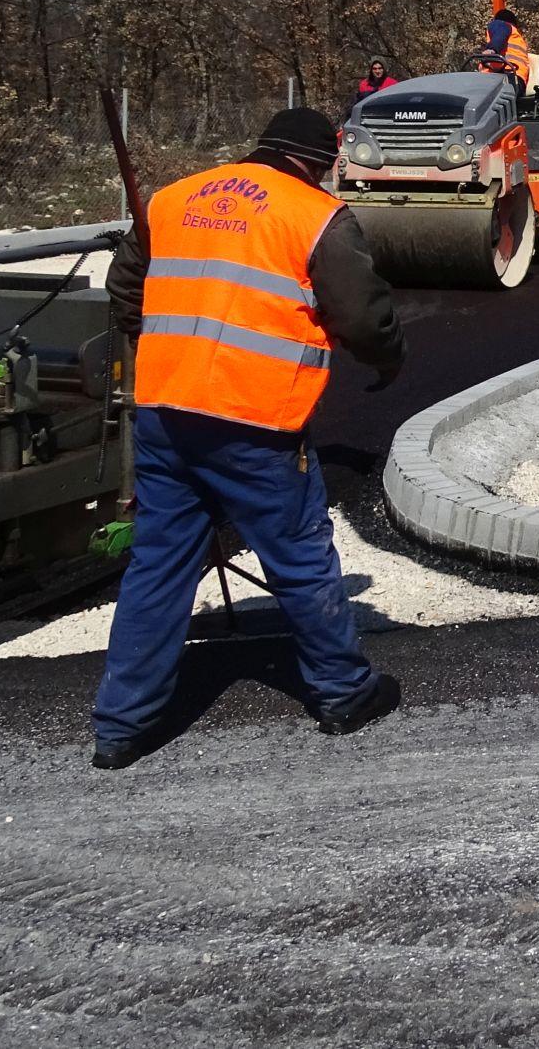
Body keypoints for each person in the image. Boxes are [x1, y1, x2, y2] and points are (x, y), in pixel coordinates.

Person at [90, 106, 408, 768]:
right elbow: (361, 313)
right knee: (297, 553)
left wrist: (157, 341)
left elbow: (125, 288)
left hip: (166, 414)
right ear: (316, 161)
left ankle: (120, 727)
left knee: (158, 565)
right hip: (254, 421)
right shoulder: (313, 214)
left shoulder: (175, 199)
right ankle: (345, 693)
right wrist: (386, 359)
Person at [484, 8, 531, 88]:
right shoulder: (518, 38)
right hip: (519, 80)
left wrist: (492, 49)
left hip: (502, 77)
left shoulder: (502, 24)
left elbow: (500, 35)